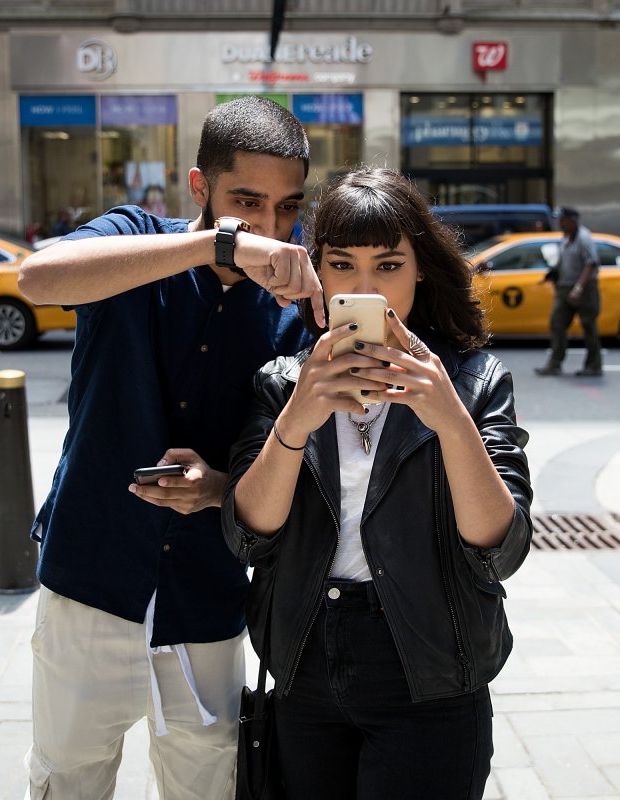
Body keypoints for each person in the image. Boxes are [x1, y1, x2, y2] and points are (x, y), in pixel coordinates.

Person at [16, 96, 323, 799]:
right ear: (199, 188)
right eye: (247, 203)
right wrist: (219, 245)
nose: (269, 229)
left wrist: (218, 487)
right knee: (66, 781)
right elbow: (36, 279)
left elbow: (300, 469)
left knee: (207, 787)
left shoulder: (295, 308)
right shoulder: (135, 237)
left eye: (286, 208)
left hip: (208, 593)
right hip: (91, 577)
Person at [222, 167, 532, 799]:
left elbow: (500, 548)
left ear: (420, 268)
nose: (367, 288)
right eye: (342, 264)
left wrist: (449, 419)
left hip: (431, 668)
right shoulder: (286, 382)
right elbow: (247, 537)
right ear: (319, 274)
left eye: (388, 265)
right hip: (305, 660)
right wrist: (297, 420)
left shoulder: (471, 380)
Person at [534, 206, 602, 377]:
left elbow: (591, 263)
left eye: (563, 220)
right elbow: (563, 261)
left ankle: (594, 365)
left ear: (573, 221)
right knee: (557, 323)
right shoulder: (565, 238)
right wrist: (553, 274)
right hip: (564, 288)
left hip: (584, 289)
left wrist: (578, 288)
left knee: (588, 326)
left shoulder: (583, 238)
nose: (560, 223)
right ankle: (555, 363)